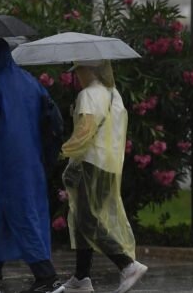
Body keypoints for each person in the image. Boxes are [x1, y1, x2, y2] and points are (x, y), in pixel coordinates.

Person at [0, 39, 64, 293]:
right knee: (6, 220)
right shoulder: (30, 80)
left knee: (21, 217)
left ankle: (46, 276)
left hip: (10, 163)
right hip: (33, 161)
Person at [59, 60, 147, 293]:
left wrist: (64, 150)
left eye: (78, 70)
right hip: (108, 165)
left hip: (91, 164)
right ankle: (81, 278)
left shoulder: (88, 94)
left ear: (90, 69)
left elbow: (86, 130)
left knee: (86, 220)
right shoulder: (112, 93)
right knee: (82, 218)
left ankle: (127, 265)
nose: (76, 75)